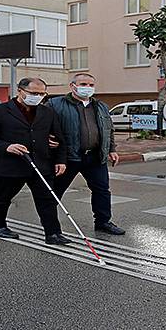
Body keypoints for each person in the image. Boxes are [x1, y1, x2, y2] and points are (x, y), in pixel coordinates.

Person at [0, 77, 72, 245]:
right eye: (33, 93)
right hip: (11, 165)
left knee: (47, 200)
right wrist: (6, 146)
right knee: (3, 197)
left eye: (42, 94)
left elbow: (58, 138)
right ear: (19, 91)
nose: (38, 97)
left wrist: (60, 160)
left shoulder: (47, 112)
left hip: (41, 164)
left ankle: (53, 233)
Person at [47, 73, 125, 235]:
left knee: (102, 190)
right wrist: (45, 138)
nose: (87, 88)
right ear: (72, 86)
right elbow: (40, 126)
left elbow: (108, 129)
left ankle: (103, 222)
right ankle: (51, 227)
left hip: (95, 156)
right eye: (83, 84)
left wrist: (112, 149)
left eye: (91, 85)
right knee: (55, 191)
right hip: (67, 157)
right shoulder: (55, 104)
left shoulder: (100, 106)